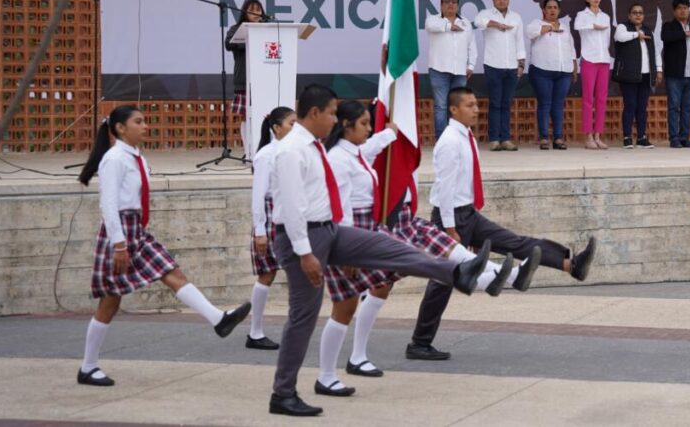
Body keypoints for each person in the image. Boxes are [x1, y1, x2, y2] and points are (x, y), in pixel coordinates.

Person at [268, 84, 491, 418]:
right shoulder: (291, 151)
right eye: (330, 113)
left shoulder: (314, 146)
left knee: (392, 247)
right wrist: (305, 253)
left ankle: (458, 272)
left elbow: (345, 175)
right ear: (314, 113)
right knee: (304, 316)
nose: (334, 119)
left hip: (331, 229)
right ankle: (283, 393)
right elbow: (292, 206)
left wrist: (389, 130)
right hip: (305, 240)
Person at [314, 101, 536, 392]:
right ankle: (326, 376)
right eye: (365, 124)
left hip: (371, 228)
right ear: (347, 125)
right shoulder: (338, 159)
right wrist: (345, 251)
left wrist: (388, 134)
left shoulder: (353, 153)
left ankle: (476, 275)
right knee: (344, 307)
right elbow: (338, 208)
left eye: (371, 123)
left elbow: (369, 151)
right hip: (351, 234)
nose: (370, 129)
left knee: (385, 281)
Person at [407, 87, 597, 361]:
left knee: (516, 243)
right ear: (453, 109)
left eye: (476, 104)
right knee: (441, 281)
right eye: (470, 105)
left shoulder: (465, 136)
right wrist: (450, 229)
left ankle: (570, 264)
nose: (476, 109)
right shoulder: (449, 141)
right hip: (451, 218)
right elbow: (444, 188)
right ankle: (419, 343)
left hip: (468, 214)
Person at [76, 106, 251, 387]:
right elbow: (108, 205)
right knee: (110, 302)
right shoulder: (114, 159)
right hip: (118, 233)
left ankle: (219, 319)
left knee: (172, 272)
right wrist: (119, 245)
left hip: (136, 230)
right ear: (120, 128)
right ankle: (88, 366)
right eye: (139, 121)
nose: (145, 126)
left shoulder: (137, 159)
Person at [245, 106, 297, 351]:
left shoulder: (293, 151)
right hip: (269, 214)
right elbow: (258, 196)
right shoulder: (266, 155)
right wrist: (260, 230)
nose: (295, 129)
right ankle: (255, 332)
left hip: (289, 213)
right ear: (276, 128)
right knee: (267, 274)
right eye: (290, 124)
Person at [474, 0, 526, 151]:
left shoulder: (516, 17)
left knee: (506, 103)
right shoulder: (485, 14)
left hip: (511, 66)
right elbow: (477, 22)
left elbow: (519, 42)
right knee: (495, 103)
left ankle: (506, 138)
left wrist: (521, 64)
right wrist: (497, 24)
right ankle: (494, 139)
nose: (501, 1)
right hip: (493, 65)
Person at [526, 0, 577, 150]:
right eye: (549, 7)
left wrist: (574, 66)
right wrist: (549, 28)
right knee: (545, 103)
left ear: (559, 10)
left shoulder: (565, 27)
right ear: (544, 10)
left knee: (558, 105)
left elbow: (571, 48)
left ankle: (558, 138)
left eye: (555, 7)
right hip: (542, 70)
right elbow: (530, 34)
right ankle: (543, 138)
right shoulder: (537, 24)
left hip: (563, 71)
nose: (552, 10)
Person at [425, 0, 476, 141]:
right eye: (447, 1)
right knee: (441, 107)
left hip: (460, 71)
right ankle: (442, 140)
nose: (450, 4)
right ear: (441, 5)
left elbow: (471, 46)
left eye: (454, 2)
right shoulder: (433, 20)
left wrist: (471, 65)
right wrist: (449, 27)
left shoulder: (465, 22)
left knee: (459, 106)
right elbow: (430, 27)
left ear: (458, 5)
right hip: (438, 69)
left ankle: (457, 139)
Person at [613, 3, 662, 149]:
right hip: (629, 74)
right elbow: (619, 37)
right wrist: (636, 34)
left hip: (646, 75)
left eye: (640, 12)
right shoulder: (623, 27)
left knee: (642, 107)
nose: (638, 15)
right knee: (630, 106)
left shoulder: (648, 31)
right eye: (634, 12)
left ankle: (642, 137)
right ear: (629, 15)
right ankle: (627, 137)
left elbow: (655, 51)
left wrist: (658, 69)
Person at [660, 0, 690, 149]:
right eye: (679, 8)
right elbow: (665, 38)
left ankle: (685, 137)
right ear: (674, 11)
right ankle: (674, 138)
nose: (683, 10)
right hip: (674, 75)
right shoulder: (669, 26)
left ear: (689, 10)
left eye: (685, 8)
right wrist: (683, 34)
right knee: (674, 107)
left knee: (686, 107)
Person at [574, 0, 612, 149]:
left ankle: (598, 135)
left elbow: (607, 38)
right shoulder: (582, 15)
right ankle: (588, 135)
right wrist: (593, 26)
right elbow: (577, 27)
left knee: (602, 99)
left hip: (604, 59)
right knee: (588, 98)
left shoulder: (605, 16)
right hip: (589, 59)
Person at [225, 0, 267, 150]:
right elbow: (229, 44)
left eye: (258, 10)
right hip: (245, 79)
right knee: (246, 116)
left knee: (264, 114)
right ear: (244, 12)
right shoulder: (237, 28)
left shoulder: (268, 29)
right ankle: (248, 150)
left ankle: (261, 147)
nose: (256, 13)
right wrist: (252, 40)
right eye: (252, 10)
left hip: (265, 79)